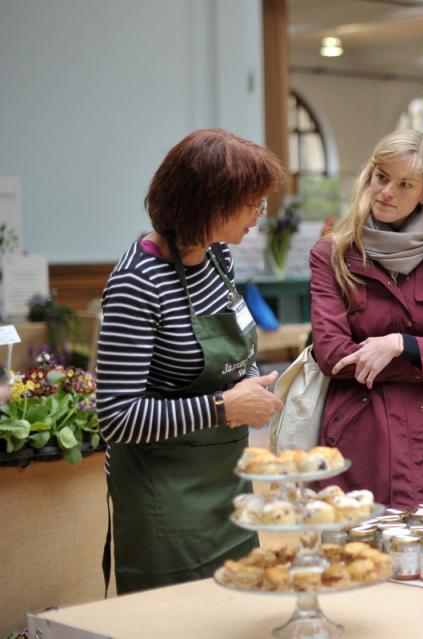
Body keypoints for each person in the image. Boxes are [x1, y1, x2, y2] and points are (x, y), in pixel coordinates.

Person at [97, 129, 285, 594]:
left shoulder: (218, 256)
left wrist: (250, 380)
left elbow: (228, 352)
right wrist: (224, 407)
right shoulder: (136, 283)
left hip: (227, 484)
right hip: (164, 497)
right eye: (252, 205)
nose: (259, 218)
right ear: (209, 203)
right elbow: (116, 418)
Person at [309, 129, 423, 509]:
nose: (386, 192)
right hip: (364, 440)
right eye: (381, 177)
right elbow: (332, 356)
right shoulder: (332, 255)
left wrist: (403, 346)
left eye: (405, 184)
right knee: (361, 557)